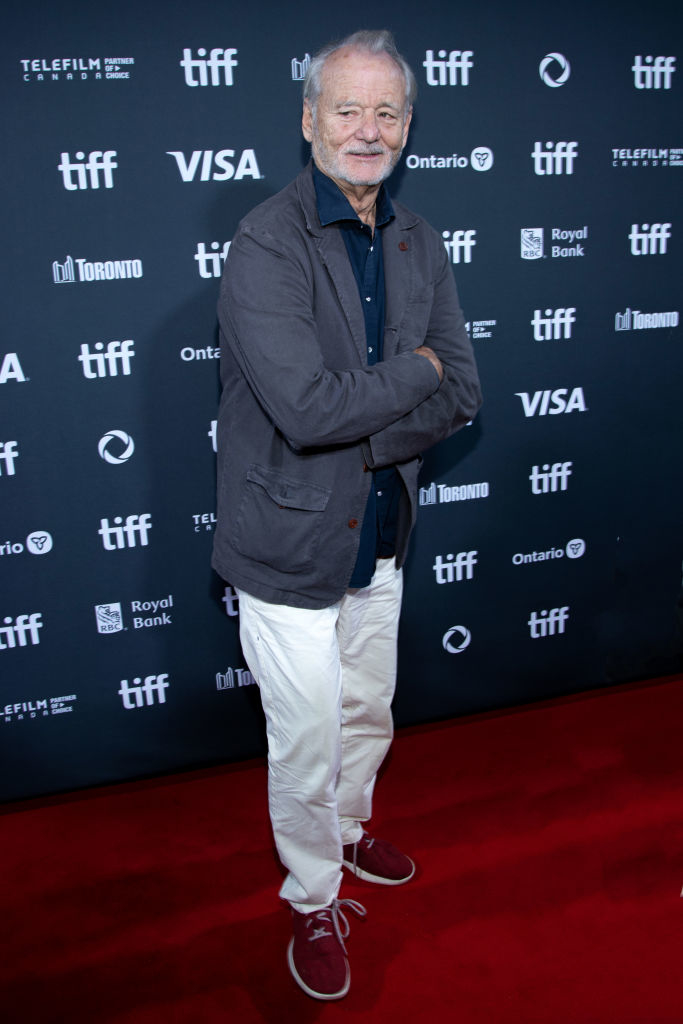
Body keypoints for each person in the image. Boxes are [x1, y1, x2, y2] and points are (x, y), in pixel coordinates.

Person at [212, 29, 482, 1001]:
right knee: (308, 734)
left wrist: (395, 400)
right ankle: (311, 890)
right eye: (345, 109)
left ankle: (349, 830)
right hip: (284, 539)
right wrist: (408, 375)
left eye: (385, 112)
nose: (365, 130)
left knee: (366, 711)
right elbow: (303, 407)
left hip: (380, 530)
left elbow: (462, 392)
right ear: (306, 120)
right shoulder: (265, 240)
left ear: (406, 126)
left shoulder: (417, 239)